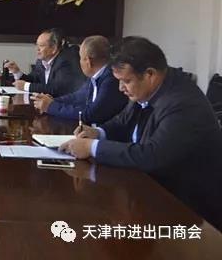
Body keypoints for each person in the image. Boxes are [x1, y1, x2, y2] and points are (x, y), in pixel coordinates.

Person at [60, 37, 222, 230]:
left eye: (126, 81)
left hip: (187, 207)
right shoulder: (149, 89)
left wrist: (92, 147)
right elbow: (123, 121)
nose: (121, 88)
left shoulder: (181, 104)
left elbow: (152, 155)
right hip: (152, 188)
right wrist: (97, 132)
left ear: (149, 74)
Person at [33, 36, 127, 124]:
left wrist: (51, 106)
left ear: (88, 61)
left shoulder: (111, 80)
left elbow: (91, 114)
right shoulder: (96, 76)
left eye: (81, 58)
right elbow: (77, 97)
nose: (79, 62)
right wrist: (52, 101)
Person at [5, 28, 85, 97]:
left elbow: (56, 89)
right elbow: (33, 80)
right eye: (37, 45)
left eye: (41, 46)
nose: (37, 49)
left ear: (54, 48)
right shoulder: (41, 61)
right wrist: (17, 72)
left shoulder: (66, 60)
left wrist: (26, 86)